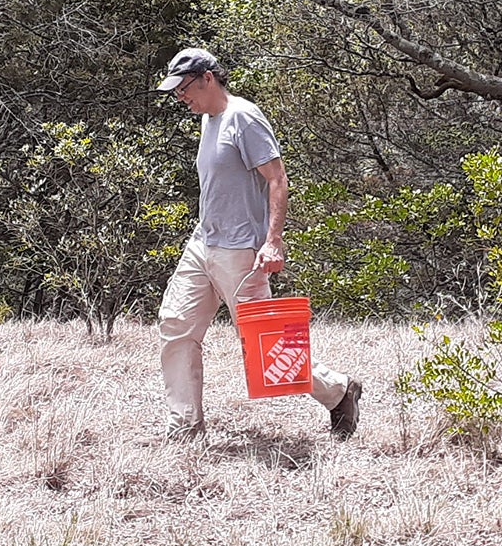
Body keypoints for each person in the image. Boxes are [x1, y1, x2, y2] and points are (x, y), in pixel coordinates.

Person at [154, 47, 362, 440]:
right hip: (203, 243)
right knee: (176, 325)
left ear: (207, 78)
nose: (180, 98)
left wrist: (273, 241)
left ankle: (338, 391)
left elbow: (277, 179)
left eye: (183, 89)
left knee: (267, 348)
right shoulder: (208, 119)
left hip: (240, 252)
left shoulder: (243, 118)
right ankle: (184, 427)